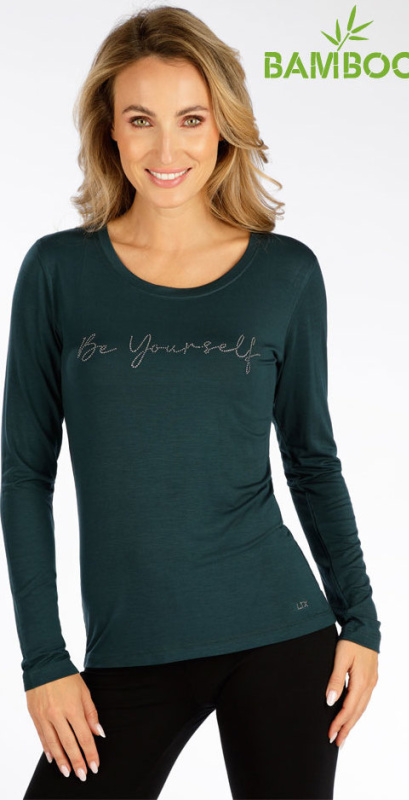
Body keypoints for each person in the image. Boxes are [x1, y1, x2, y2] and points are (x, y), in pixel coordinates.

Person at [0, 5, 381, 799]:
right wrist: (44, 661)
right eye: (140, 120)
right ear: (109, 129)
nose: (166, 150)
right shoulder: (58, 273)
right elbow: (23, 474)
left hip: (280, 633)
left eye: (191, 119)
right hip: (128, 652)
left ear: (223, 127)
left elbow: (311, 459)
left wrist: (362, 622)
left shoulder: (285, 275)